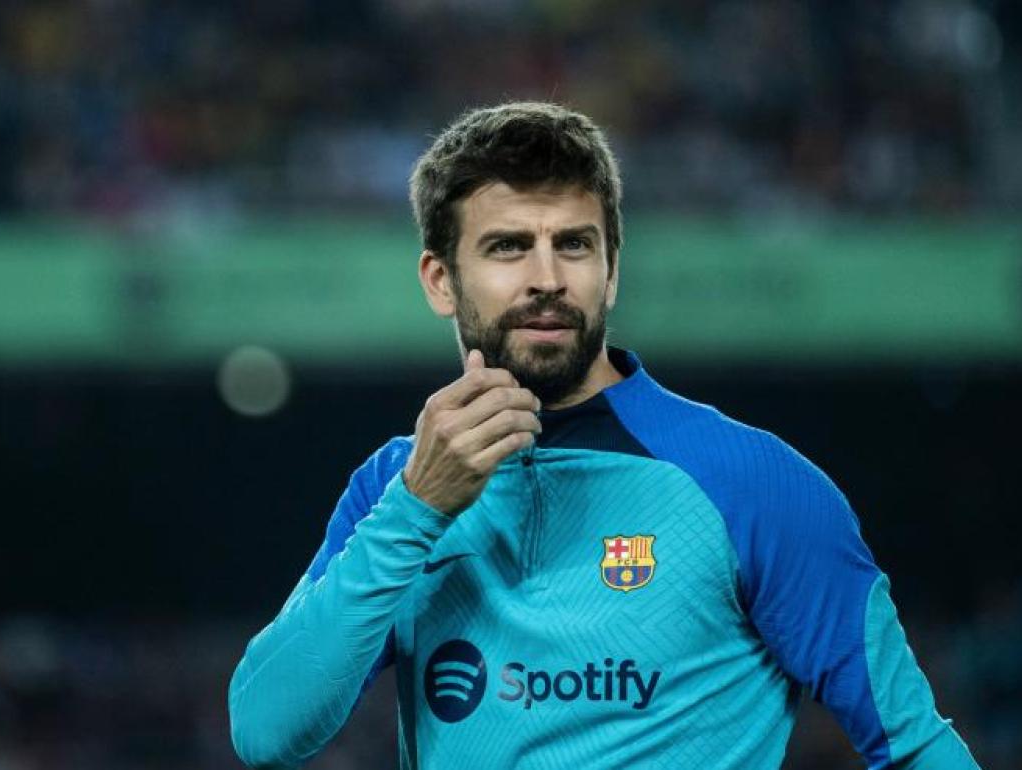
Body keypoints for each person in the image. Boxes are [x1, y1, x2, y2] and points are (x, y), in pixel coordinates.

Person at [227, 102, 980, 769]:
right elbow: (266, 731)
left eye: (576, 245)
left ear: (612, 271)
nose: (547, 277)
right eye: (508, 247)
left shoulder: (753, 484)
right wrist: (418, 508)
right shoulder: (395, 490)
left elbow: (915, 746)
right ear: (439, 280)